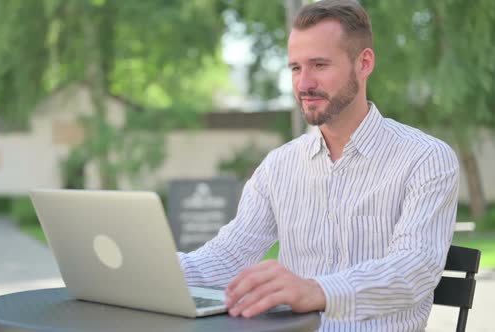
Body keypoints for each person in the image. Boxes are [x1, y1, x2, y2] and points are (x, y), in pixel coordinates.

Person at [178, 0, 459, 331]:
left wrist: (315, 290)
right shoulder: (279, 167)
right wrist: (142, 269)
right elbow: (228, 257)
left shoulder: (426, 159)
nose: (304, 84)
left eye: (319, 65)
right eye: (296, 68)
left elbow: (413, 270)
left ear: (364, 63)